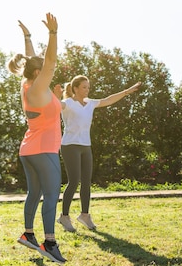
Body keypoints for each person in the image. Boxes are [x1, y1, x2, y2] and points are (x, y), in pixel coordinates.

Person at [10, 15, 66, 264]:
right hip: (45, 150)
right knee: (52, 194)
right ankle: (49, 243)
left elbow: (34, 61)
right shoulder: (40, 88)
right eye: (41, 67)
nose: (46, 68)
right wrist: (53, 34)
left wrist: (28, 38)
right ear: (37, 71)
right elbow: (50, 61)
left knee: (35, 192)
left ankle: (29, 234)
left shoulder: (27, 85)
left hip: (28, 149)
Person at [56, 75, 142, 232]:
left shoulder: (90, 103)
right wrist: (54, 96)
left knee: (86, 182)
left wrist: (126, 92)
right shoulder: (68, 103)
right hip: (70, 145)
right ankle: (64, 216)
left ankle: (85, 215)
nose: (87, 90)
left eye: (88, 87)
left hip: (85, 146)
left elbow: (108, 100)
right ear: (75, 88)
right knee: (74, 181)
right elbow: (54, 106)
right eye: (84, 87)